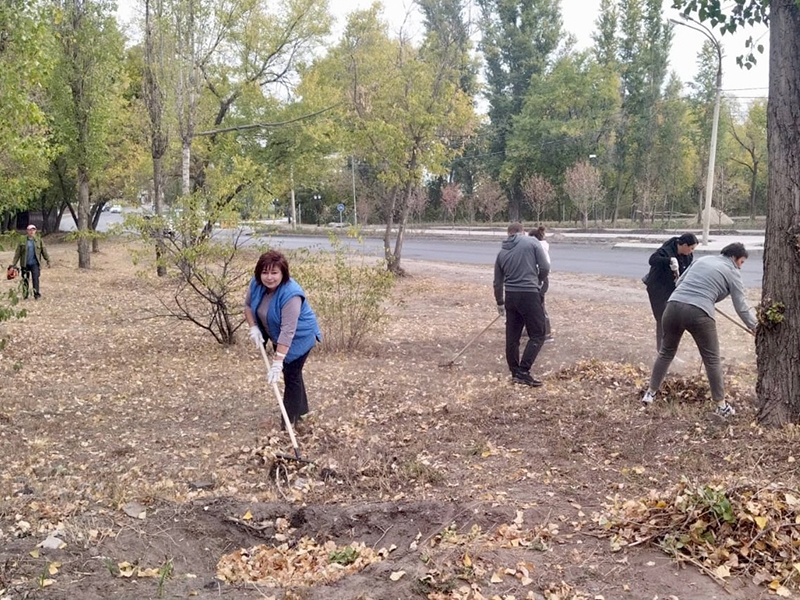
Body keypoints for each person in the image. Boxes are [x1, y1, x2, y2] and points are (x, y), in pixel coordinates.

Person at [641, 242, 757, 417]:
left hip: (672, 306)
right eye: (741, 262)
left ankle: (650, 393)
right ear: (734, 258)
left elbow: (679, 281)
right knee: (712, 359)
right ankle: (721, 406)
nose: (740, 267)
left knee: (665, 352)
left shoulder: (703, 260)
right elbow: (741, 306)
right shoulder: (732, 272)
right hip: (699, 312)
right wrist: (754, 326)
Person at [244, 250, 322, 428]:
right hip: (277, 334)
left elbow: (288, 331)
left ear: (283, 273)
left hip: (299, 337)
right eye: (265, 272)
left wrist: (278, 362)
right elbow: (248, 306)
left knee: (291, 374)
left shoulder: (291, 294)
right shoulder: (256, 285)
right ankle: (302, 416)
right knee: (294, 375)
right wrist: (253, 327)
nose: (269, 277)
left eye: (274, 272)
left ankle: (289, 425)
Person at [494, 222, 550, 386]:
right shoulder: (531, 242)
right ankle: (523, 372)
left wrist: (500, 303)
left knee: (512, 336)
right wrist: (538, 280)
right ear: (522, 231)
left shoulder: (501, 252)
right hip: (529, 294)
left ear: (508, 233)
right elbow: (545, 266)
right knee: (538, 333)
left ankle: (514, 372)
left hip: (511, 296)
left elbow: (497, 283)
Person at [643, 233, 698, 351]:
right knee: (662, 319)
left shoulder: (688, 256)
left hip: (673, 290)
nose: (692, 251)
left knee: (673, 320)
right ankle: (661, 351)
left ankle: (669, 350)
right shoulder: (666, 250)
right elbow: (652, 260)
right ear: (683, 245)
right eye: (691, 248)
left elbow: (687, 272)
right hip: (657, 289)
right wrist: (669, 261)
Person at [12, 224, 50, 300]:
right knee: (25, 279)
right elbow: (18, 253)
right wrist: (14, 264)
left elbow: (44, 251)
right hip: (25, 263)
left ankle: (37, 295)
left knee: (35, 278)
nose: (31, 231)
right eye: (30, 230)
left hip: (35, 264)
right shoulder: (23, 241)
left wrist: (47, 260)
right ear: (27, 231)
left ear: (35, 231)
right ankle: (25, 295)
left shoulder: (39, 240)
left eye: (33, 230)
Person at [529, 226, 554, 342]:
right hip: (537, 280)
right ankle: (528, 329)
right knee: (530, 306)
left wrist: (539, 281)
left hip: (540, 281)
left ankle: (546, 333)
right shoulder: (537, 247)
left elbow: (543, 268)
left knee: (539, 307)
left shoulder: (539, 249)